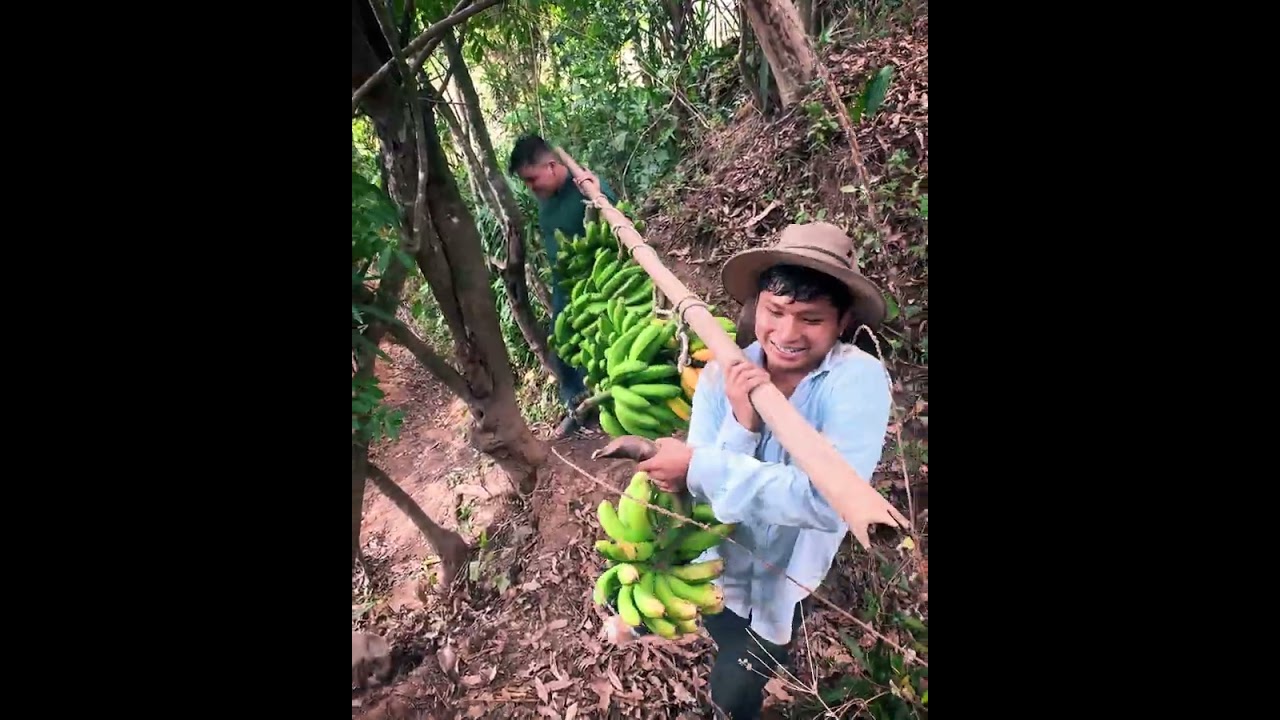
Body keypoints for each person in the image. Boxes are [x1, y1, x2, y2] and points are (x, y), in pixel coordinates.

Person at [635, 222, 892, 720]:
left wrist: (701, 465)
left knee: (736, 687)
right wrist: (741, 423)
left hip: (789, 579)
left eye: (811, 319)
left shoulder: (857, 381)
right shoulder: (719, 376)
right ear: (757, 307)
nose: (788, 334)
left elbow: (824, 500)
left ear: (841, 322)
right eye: (776, 312)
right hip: (721, 568)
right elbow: (705, 498)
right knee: (726, 636)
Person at [508, 134, 619, 437]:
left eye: (532, 179)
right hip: (563, 283)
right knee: (562, 343)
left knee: (599, 345)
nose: (531, 188)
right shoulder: (547, 198)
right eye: (525, 182)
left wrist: (599, 195)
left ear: (552, 166)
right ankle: (577, 406)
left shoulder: (586, 189)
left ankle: (613, 407)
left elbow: (617, 222)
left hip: (594, 281)